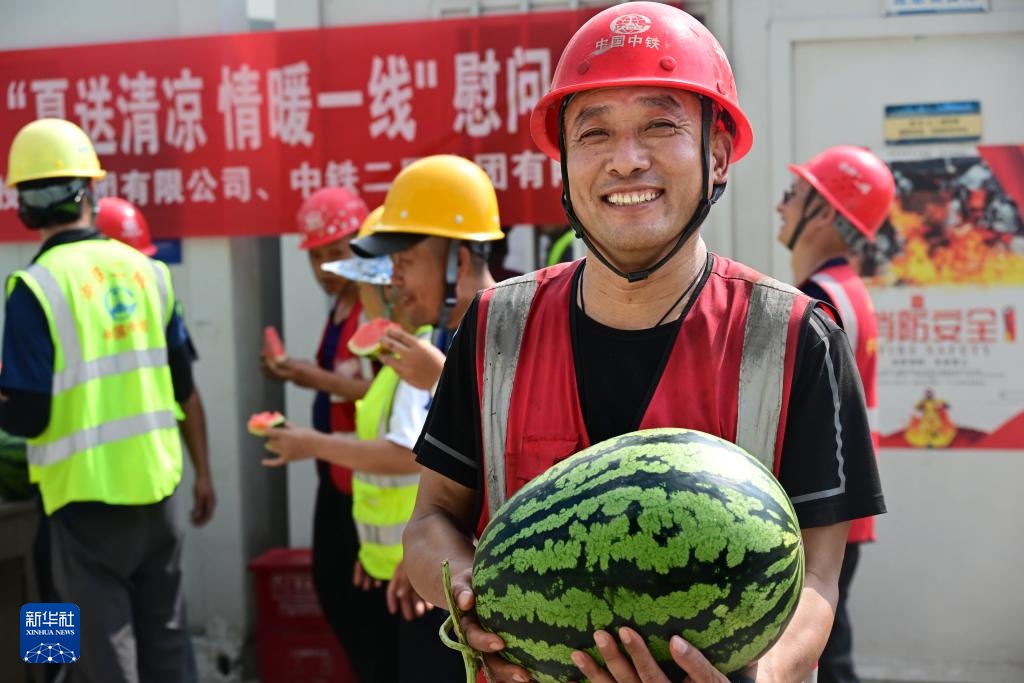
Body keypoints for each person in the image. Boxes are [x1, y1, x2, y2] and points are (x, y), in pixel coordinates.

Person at [401, 4, 886, 683]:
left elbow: (818, 577)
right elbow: (431, 519)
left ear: (716, 154)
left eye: (660, 125)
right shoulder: (495, 327)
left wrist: (761, 675)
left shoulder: (797, 338)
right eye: (594, 133)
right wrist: (466, 593)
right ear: (564, 165)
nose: (626, 160)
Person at [0, 118, 199, 682]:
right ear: (91, 189)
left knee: (93, 651)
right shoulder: (150, 274)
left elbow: (29, 416)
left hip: (77, 500)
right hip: (156, 492)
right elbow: (184, 388)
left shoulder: (34, 286)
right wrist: (202, 472)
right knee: (165, 641)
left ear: (23, 206)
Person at [260, 205, 463, 682]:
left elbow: (408, 458)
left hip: (420, 575)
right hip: (402, 566)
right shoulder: (409, 361)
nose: (364, 300)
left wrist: (309, 444)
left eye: (368, 286)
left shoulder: (417, 363)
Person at [778, 145, 894, 683]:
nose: (781, 206)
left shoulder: (820, 304)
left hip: (820, 512)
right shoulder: (845, 293)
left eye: (793, 195)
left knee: (824, 658)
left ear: (823, 211)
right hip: (838, 511)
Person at [258, 187, 377, 678]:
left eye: (338, 253)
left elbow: (379, 392)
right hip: (339, 476)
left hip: (367, 482)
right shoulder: (341, 307)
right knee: (338, 599)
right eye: (318, 257)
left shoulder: (372, 306)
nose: (328, 267)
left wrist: (304, 375)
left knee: (365, 621)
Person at [95, 196, 215, 527]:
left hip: (152, 486)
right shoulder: (74, 315)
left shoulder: (157, 305)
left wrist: (203, 473)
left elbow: (185, 391)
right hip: (91, 496)